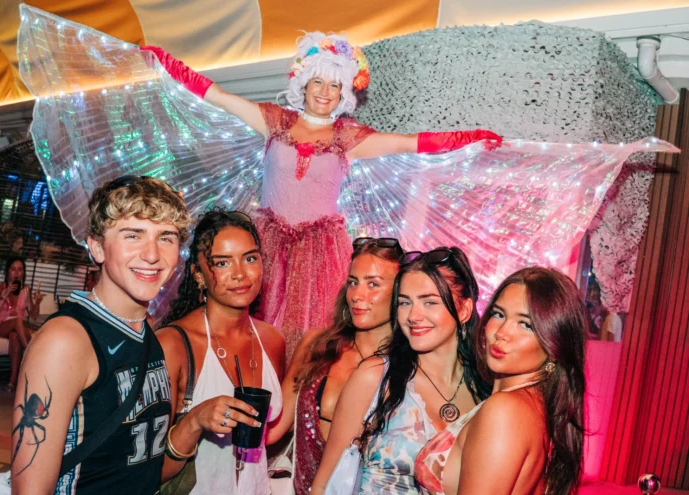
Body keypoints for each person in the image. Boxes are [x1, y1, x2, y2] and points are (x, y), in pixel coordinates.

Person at [141, 32, 501, 356]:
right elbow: (219, 96)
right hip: (265, 243)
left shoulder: (348, 138)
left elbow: (409, 143)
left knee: (309, 341)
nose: (325, 92)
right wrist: (167, 62)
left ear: (344, 93)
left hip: (319, 252)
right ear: (304, 82)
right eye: (318, 82)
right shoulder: (275, 121)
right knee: (246, 327)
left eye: (334, 86)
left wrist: (468, 138)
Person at [10, 176, 191, 495]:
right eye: (133, 235)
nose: (152, 254)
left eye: (166, 237)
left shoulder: (145, 332)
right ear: (96, 247)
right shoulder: (67, 340)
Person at [298, 247, 491, 495]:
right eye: (404, 302)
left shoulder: (486, 392)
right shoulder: (376, 376)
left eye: (429, 302)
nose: (413, 315)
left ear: (463, 310)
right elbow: (324, 484)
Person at [414, 267, 586, 495]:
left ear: (554, 343)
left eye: (526, 324)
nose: (502, 332)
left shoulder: (506, 412)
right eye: (498, 314)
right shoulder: (534, 407)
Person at [156, 209, 285, 495]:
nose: (240, 274)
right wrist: (195, 420)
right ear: (199, 274)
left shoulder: (273, 341)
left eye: (250, 258)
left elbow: (268, 434)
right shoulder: (172, 344)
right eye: (223, 262)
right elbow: (146, 467)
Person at [266, 237, 404, 495]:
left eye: (373, 284)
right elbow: (273, 429)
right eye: (353, 282)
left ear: (400, 295)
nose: (357, 294)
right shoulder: (316, 346)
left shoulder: (405, 369)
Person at [0, 255, 42, 392]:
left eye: (20, 269)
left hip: (18, 329)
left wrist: (37, 302)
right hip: (0, 327)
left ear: (23, 272)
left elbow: (34, 316)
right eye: (13, 269)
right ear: (8, 271)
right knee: (17, 320)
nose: (16, 273)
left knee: (14, 337)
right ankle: (34, 358)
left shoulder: (26, 290)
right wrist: (4, 296)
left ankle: (13, 381)